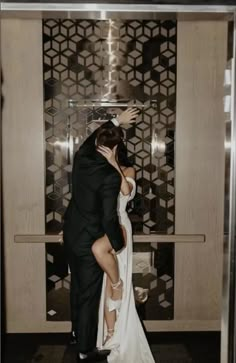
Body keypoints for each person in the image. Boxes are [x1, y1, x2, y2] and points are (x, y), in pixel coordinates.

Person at [63, 108, 139, 363]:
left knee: (78, 289)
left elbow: (126, 192)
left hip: (73, 234)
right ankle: (86, 348)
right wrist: (116, 245)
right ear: (116, 147)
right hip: (97, 238)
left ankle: (80, 333)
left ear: (96, 144)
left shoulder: (81, 158)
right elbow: (108, 218)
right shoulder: (107, 176)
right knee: (88, 294)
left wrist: (116, 121)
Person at [94, 142, 155, 363]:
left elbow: (126, 191)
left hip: (120, 224)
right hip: (101, 226)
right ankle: (110, 334)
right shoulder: (98, 171)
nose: (106, 153)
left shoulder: (128, 170)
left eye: (110, 149)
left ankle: (119, 334)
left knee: (114, 280)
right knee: (105, 284)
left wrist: (113, 164)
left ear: (118, 150)